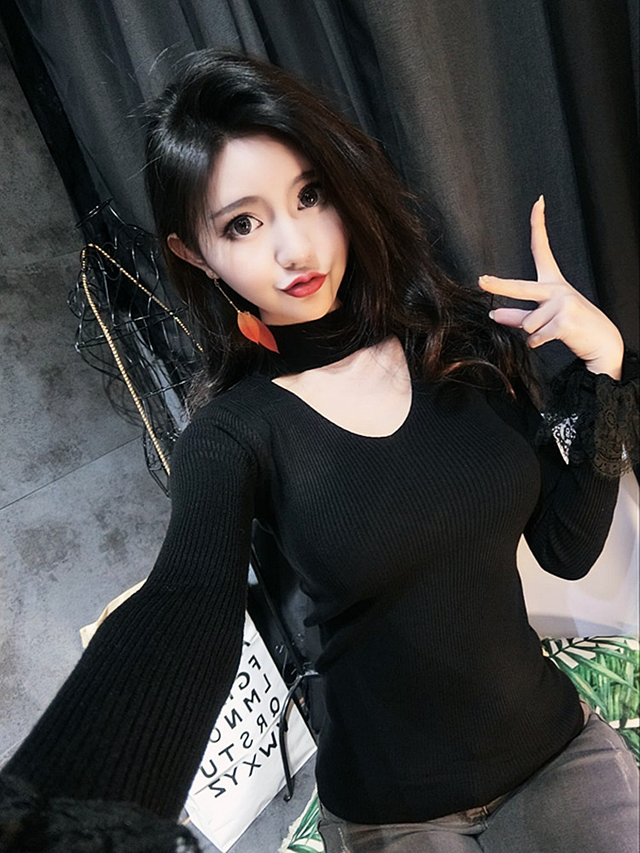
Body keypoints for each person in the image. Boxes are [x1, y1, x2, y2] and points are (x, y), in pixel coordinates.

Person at [1, 49, 638, 853]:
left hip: (552, 751)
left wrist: (607, 370)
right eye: (243, 223)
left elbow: (566, 547)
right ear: (195, 254)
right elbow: (186, 603)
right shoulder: (233, 435)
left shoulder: (459, 345)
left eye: (310, 195)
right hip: (391, 810)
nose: (294, 249)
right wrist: (41, 823)